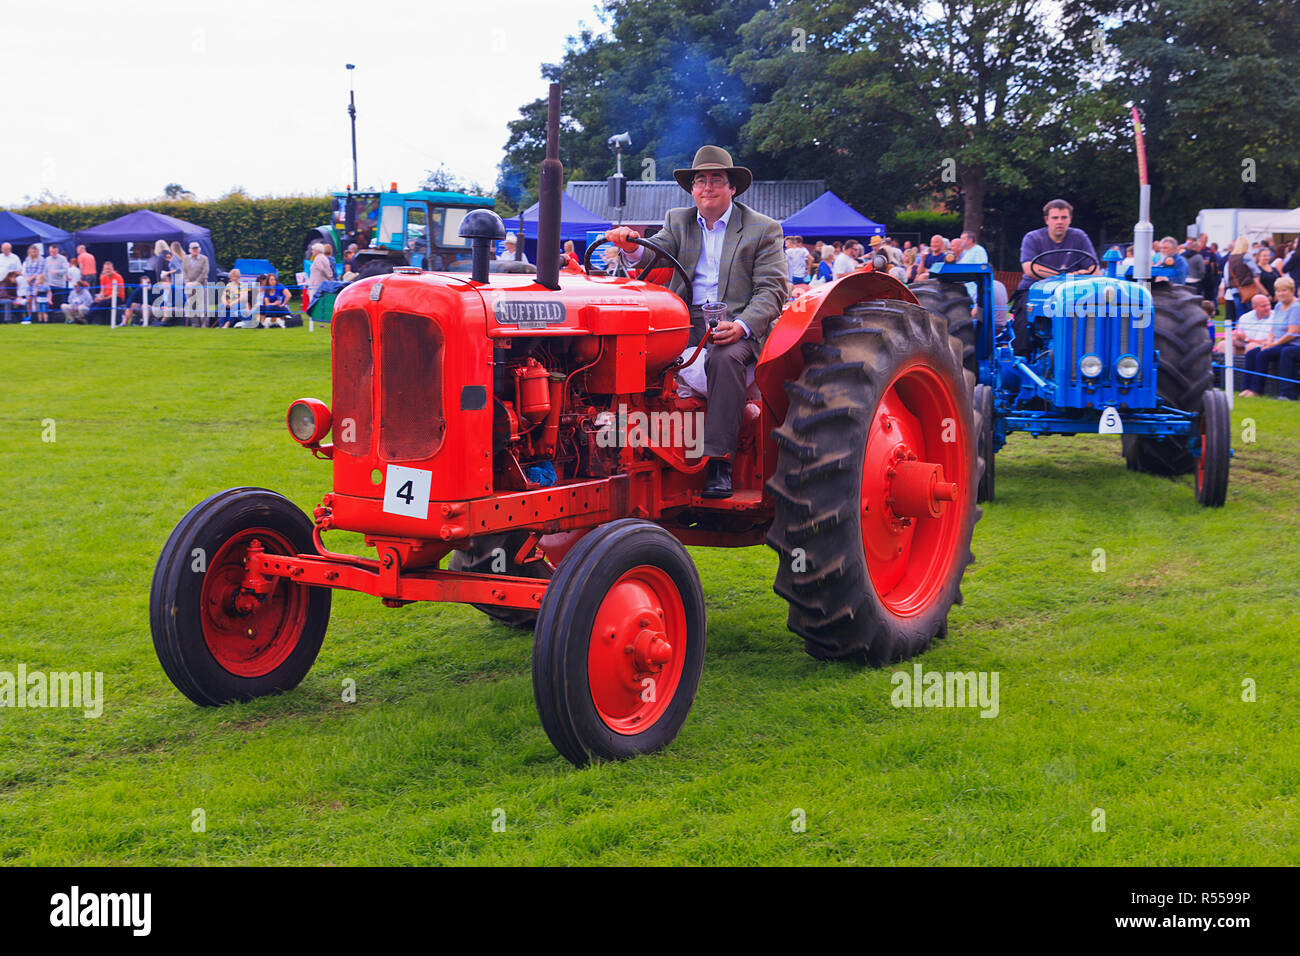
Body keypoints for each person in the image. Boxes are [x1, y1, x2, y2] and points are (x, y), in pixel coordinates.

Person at [603, 144, 790, 498]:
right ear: (692, 189)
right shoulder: (679, 220)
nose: (707, 187)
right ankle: (620, 444)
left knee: (724, 358)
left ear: (732, 187)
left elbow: (772, 290)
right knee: (630, 350)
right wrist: (630, 246)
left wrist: (743, 326)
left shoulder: (762, 229)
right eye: (700, 181)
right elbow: (655, 250)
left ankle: (718, 461)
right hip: (684, 324)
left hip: (737, 326)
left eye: (716, 180)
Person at [1018, 199, 1098, 290]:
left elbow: (1095, 271)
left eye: (1064, 217)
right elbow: (1029, 268)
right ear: (1046, 220)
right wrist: (1066, 277)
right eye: (1055, 218)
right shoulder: (1032, 238)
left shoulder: (1080, 237)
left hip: (1071, 292)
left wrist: (1081, 276)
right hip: (1033, 289)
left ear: (1070, 219)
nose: (1060, 222)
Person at [1234, 294, 1279, 395]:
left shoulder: (1276, 316)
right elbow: (1237, 335)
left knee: (1252, 348)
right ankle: (1229, 383)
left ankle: (1254, 389)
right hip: (1244, 345)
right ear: (1254, 307)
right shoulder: (1245, 317)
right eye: (1263, 306)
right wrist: (1235, 337)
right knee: (1223, 345)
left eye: (1268, 305)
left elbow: (1271, 340)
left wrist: (1247, 339)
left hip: (1264, 346)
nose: (1267, 308)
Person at [1225, 236, 1258, 320]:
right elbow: (1256, 271)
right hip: (1246, 287)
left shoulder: (1231, 257)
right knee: (1250, 314)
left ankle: (1239, 331)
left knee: (1239, 314)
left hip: (1234, 288)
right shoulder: (1246, 256)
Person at [181, 241, 210, 326]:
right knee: (192, 305)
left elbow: (205, 272)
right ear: (190, 250)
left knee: (203, 305)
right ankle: (195, 324)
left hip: (202, 284)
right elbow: (184, 271)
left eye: (197, 249)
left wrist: (196, 282)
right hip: (189, 285)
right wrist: (187, 282)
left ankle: (205, 324)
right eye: (194, 249)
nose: (195, 250)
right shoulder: (185, 258)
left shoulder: (204, 259)